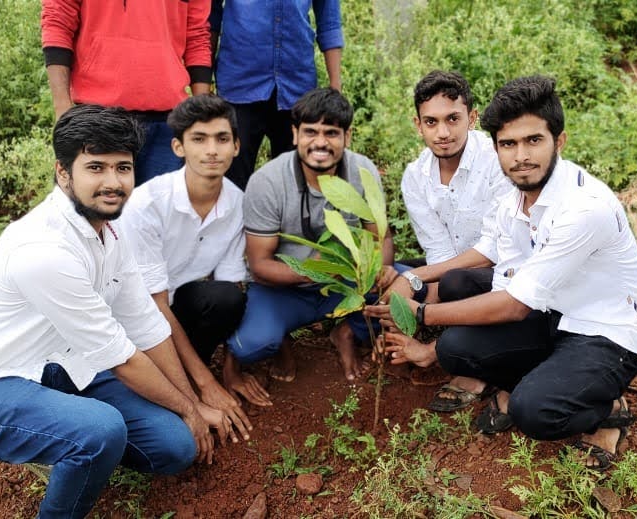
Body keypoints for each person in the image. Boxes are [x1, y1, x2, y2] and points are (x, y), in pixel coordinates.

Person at [0, 105, 239, 519]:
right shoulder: (43, 250)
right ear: (63, 172)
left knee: (176, 446)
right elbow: (124, 359)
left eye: (123, 168)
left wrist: (191, 403)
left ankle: (67, 438)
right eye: (96, 167)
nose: (112, 183)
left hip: (67, 369)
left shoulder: (112, 231)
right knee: (100, 431)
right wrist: (191, 408)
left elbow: (148, 328)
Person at [368, 76, 637, 471]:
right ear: (497, 148)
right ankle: (543, 375)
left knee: (534, 412)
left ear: (560, 140)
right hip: (550, 316)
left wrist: (419, 314)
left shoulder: (583, 207)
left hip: (602, 332)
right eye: (509, 144)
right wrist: (420, 289)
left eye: (533, 141)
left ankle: (606, 406)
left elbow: (514, 305)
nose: (521, 156)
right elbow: (502, 282)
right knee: (455, 348)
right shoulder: (512, 203)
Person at [231, 88, 397, 383]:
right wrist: (315, 272)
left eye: (331, 133)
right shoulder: (267, 181)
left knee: (409, 289)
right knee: (250, 346)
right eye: (310, 132)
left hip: (347, 279)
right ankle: (281, 340)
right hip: (285, 288)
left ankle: (345, 331)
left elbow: (380, 238)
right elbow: (259, 264)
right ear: (294, 134)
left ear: (347, 136)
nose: (320, 143)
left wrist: (380, 269)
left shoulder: (362, 170)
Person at [118, 95, 272, 410]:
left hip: (176, 309)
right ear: (179, 147)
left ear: (236, 147)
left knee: (227, 298)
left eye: (222, 139)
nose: (212, 150)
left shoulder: (237, 203)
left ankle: (181, 374)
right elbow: (152, 305)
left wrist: (232, 368)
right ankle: (176, 384)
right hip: (129, 315)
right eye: (199, 139)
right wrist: (206, 384)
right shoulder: (147, 204)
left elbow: (232, 288)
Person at [388, 70, 513, 413]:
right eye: (431, 122)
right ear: (418, 125)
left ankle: (468, 366)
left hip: (509, 273)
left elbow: (495, 249)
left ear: (472, 118)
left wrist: (418, 285)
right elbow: (439, 250)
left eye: (452, 119)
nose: (442, 133)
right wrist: (413, 287)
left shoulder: (498, 161)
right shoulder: (416, 176)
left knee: (446, 281)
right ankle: (441, 336)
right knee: (389, 281)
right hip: (459, 271)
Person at [41, 0, 212, 185]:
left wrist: (200, 115)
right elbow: (57, 19)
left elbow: (198, 35)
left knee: (159, 212)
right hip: (96, 120)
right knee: (88, 211)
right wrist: (62, 108)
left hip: (165, 127)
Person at [209, 0, 343, 190]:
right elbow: (210, 19)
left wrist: (335, 89)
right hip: (239, 86)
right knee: (231, 183)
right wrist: (204, 87)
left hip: (296, 89)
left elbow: (329, 22)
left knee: (294, 183)